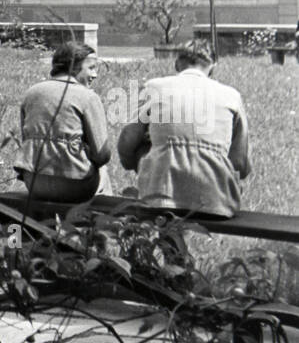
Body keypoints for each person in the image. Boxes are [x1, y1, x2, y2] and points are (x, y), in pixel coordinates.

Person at [117, 41, 250, 218]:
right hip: (216, 202)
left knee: (144, 141)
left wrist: (133, 163)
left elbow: (127, 140)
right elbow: (241, 163)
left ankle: (162, 188)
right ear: (212, 67)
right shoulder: (231, 96)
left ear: (177, 64)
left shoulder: (154, 87)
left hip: (160, 198)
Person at [13, 42, 111, 203]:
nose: (95, 75)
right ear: (74, 67)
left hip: (34, 183)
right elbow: (102, 154)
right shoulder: (87, 97)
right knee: (103, 171)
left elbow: (26, 141)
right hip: (75, 187)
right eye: (91, 68)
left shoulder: (32, 92)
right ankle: (97, 224)